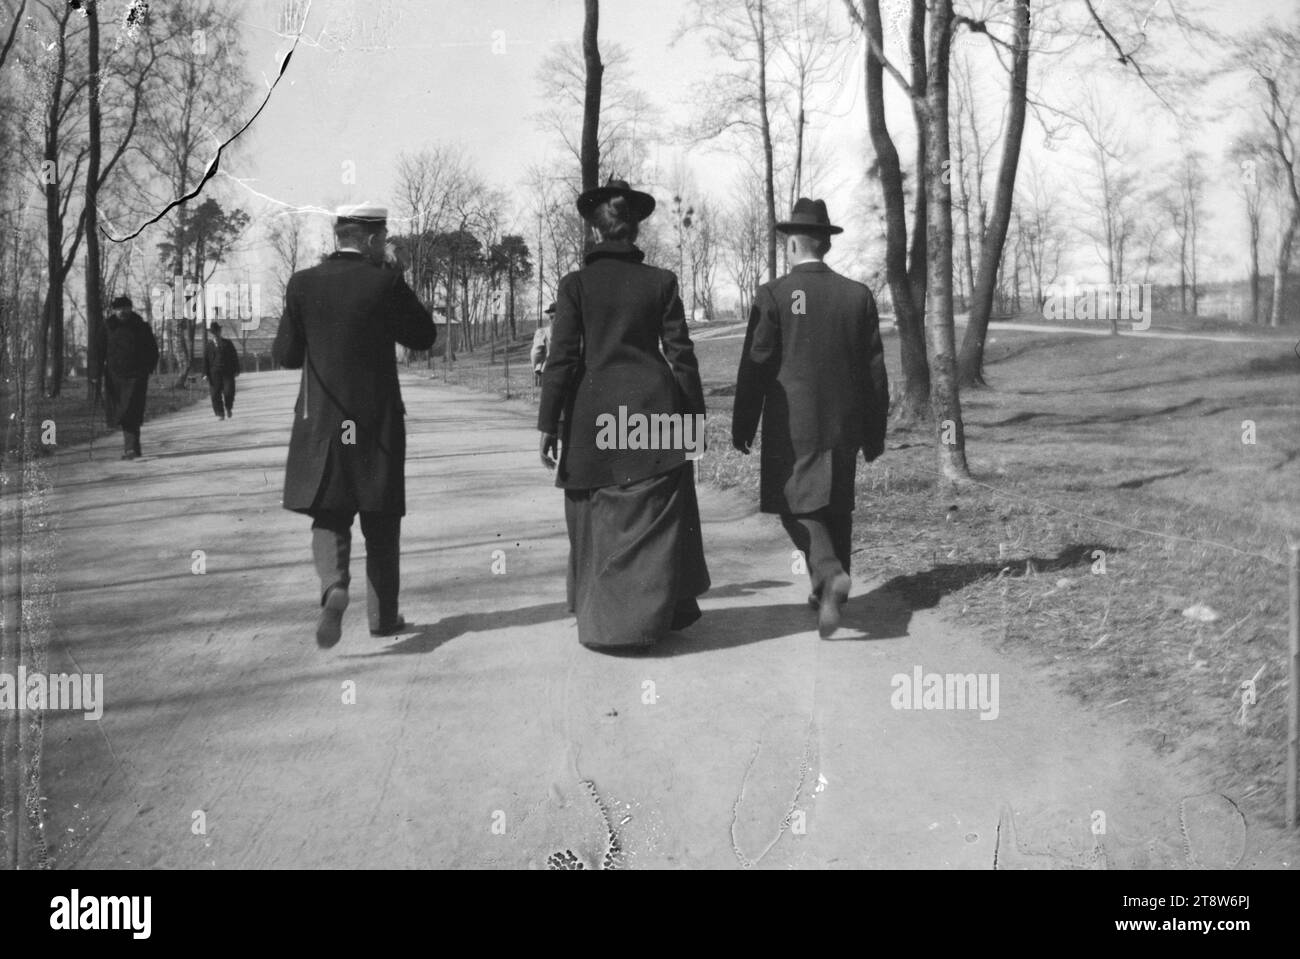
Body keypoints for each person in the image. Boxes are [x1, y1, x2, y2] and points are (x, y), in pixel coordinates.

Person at [538, 178, 710, 650]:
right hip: (653, 413)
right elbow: (681, 356)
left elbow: (563, 360)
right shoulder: (661, 282)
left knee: (597, 514)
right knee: (656, 510)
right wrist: (693, 422)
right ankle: (659, 612)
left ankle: (608, 621)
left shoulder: (574, 286)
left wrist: (549, 423)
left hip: (593, 419)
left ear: (595, 232)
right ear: (635, 231)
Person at [273, 204, 436, 648]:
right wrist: (397, 278)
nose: (384, 246)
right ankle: (383, 618)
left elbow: (286, 355)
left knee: (330, 511)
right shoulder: (384, 282)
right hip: (377, 422)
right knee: (381, 518)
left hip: (322, 420)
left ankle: (333, 584)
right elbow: (424, 336)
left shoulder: (302, 284)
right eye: (382, 239)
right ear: (369, 240)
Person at [731, 198, 889, 638]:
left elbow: (756, 364)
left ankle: (827, 572)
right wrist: (875, 433)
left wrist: (743, 424)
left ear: (794, 243)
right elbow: (875, 372)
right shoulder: (857, 296)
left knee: (792, 503)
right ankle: (828, 595)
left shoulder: (775, 294)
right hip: (845, 421)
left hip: (791, 423)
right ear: (827, 245)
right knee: (837, 502)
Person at [93, 295, 160, 461]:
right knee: (122, 412)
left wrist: (147, 370)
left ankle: (131, 448)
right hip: (114, 377)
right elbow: (98, 352)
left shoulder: (141, 327)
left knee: (132, 410)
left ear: (131, 308)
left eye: (125, 308)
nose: (122, 311)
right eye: (118, 308)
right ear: (114, 310)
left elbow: (152, 350)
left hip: (136, 376)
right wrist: (95, 374)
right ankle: (132, 448)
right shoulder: (107, 327)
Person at [203, 321, 241, 419]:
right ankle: (220, 413)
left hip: (227, 372)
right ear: (212, 334)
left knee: (229, 391)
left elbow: (234, 357)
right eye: (214, 332)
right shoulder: (208, 346)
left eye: (217, 331)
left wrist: (237, 369)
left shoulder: (228, 343)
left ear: (220, 332)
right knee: (215, 394)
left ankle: (228, 407)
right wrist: (205, 374)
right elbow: (205, 361)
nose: (216, 334)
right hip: (214, 373)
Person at [530, 302, 554, 387]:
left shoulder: (542, 332)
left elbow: (535, 353)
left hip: (548, 371)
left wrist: (536, 368)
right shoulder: (572, 332)